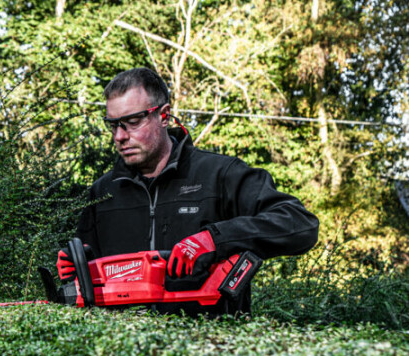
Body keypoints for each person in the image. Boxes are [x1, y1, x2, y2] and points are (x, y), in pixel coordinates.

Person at [57, 67, 319, 316]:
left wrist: (215, 239)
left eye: (132, 122)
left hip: (212, 341)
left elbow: (300, 224)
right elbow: (88, 284)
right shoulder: (103, 192)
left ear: (163, 115)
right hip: (124, 344)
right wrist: (77, 265)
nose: (119, 136)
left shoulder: (220, 174)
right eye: (113, 125)